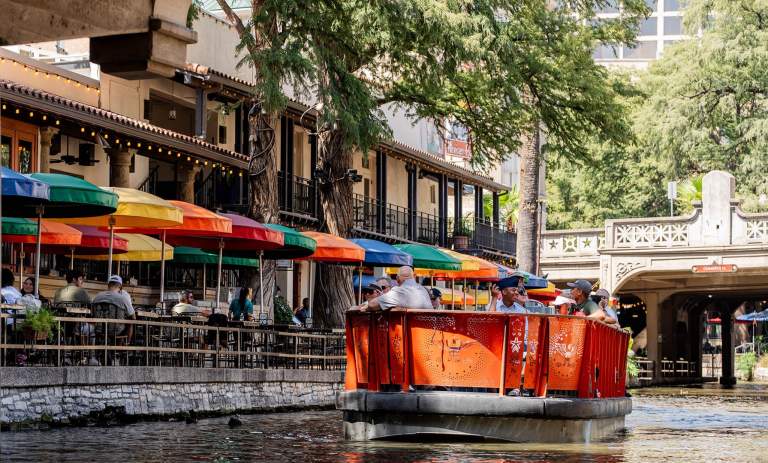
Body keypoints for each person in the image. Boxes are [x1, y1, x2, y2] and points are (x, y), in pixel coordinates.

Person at [365, 266, 432, 311]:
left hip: (411, 330)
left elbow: (372, 305)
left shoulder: (399, 291)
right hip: (430, 329)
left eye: (383, 287)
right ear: (414, 276)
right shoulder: (423, 290)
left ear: (397, 278)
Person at [91, 275, 136, 340]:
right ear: (120, 286)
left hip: (99, 330)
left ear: (108, 285)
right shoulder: (123, 299)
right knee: (130, 323)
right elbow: (133, 317)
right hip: (117, 331)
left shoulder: (97, 297)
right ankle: (125, 345)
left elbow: (92, 314)